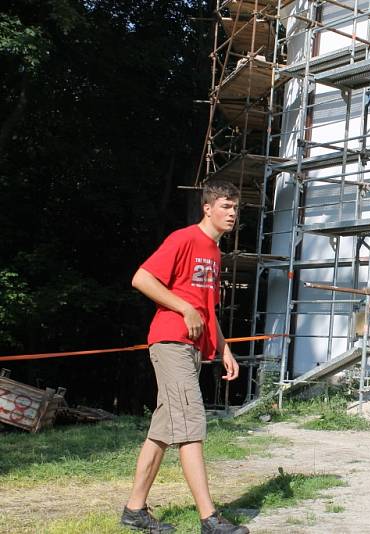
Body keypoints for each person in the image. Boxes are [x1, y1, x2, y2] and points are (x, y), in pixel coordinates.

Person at [120, 180, 249, 534]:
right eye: (225, 206)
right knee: (191, 424)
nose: (232, 214)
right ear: (207, 208)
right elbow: (141, 278)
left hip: (192, 348)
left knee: (163, 430)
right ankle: (209, 518)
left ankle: (134, 510)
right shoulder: (184, 238)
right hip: (170, 341)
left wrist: (224, 349)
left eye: (235, 208)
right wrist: (184, 309)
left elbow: (208, 310)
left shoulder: (215, 252)